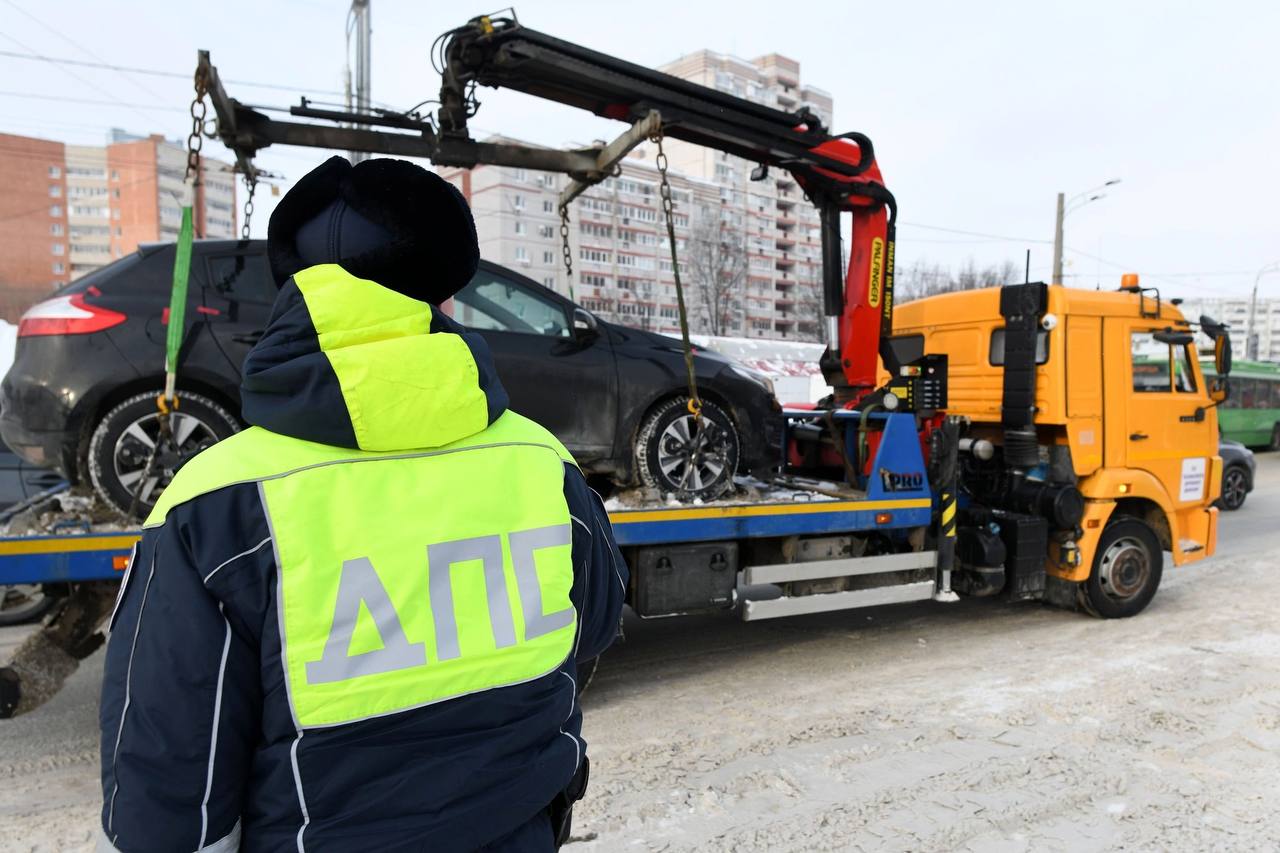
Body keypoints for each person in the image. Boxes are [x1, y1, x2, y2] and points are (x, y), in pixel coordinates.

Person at [98, 156, 627, 852]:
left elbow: (167, 799)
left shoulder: (211, 502)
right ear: (441, 298)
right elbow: (591, 624)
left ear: (296, 297)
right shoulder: (540, 461)